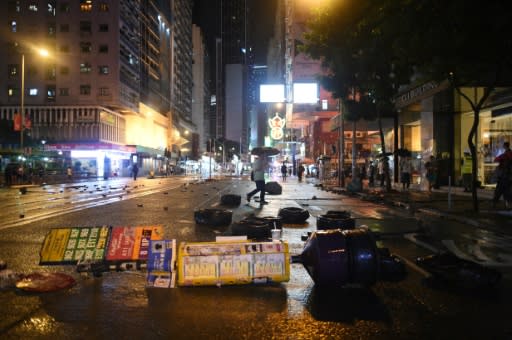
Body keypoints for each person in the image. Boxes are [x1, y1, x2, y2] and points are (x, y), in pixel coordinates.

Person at [493, 142, 512, 208]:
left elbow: (496, 159)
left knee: (499, 191)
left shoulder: (505, 155)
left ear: (505, 146)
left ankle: (495, 204)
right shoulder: (509, 154)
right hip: (508, 177)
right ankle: (507, 204)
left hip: (503, 177)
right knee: (507, 191)